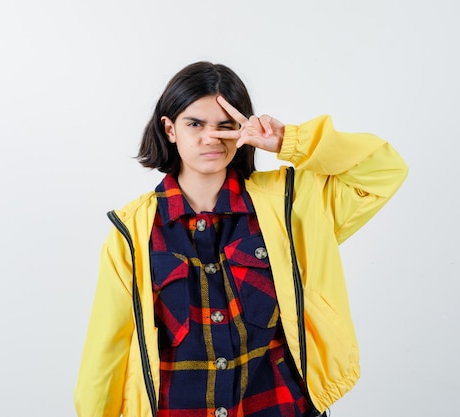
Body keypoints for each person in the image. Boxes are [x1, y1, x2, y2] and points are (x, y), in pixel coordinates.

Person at [74, 61, 408, 417]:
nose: (211, 138)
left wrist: (288, 141)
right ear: (170, 129)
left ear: (242, 130)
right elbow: (106, 350)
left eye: (226, 126)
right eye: (195, 124)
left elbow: (383, 170)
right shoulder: (132, 231)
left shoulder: (289, 203)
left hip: (282, 408)